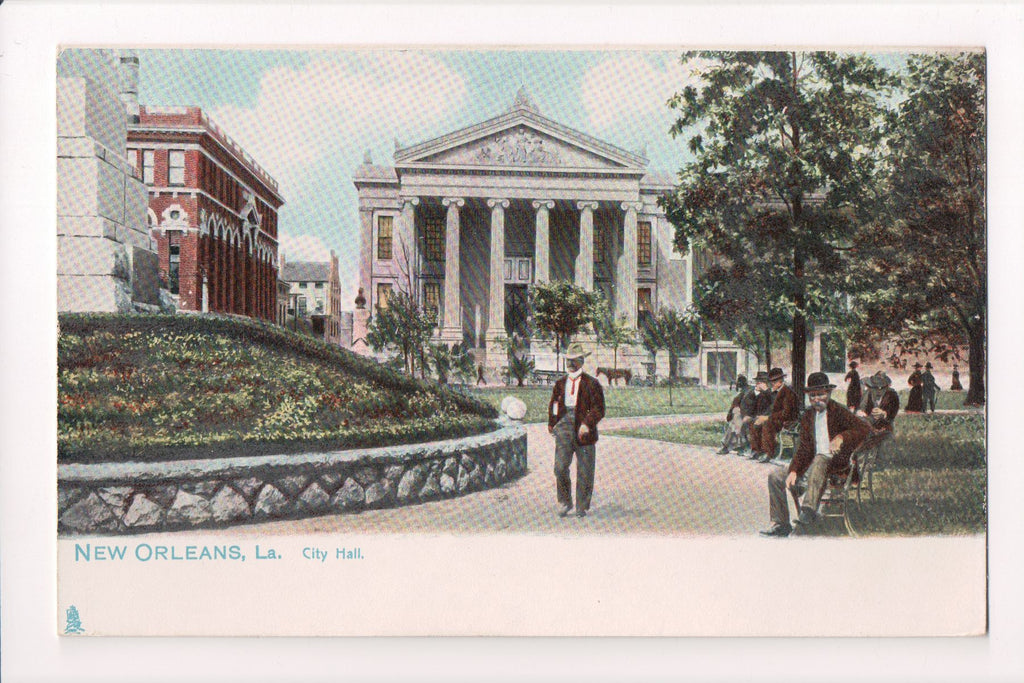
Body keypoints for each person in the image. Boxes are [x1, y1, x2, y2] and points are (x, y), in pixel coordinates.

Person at [760, 372, 870, 537]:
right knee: (775, 476)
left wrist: (841, 437)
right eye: (813, 396)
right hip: (812, 465)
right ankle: (781, 523)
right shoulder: (808, 416)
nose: (817, 399)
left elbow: (864, 429)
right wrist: (794, 470)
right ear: (808, 397)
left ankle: (808, 512)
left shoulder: (839, 411)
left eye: (821, 394)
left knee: (820, 459)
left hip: (835, 465)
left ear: (829, 393)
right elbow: (804, 448)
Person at [547, 343, 606, 518]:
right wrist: (552, 423)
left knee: (585, 469)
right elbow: (555, 404)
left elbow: (599, 408)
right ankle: (565, 502)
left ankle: (582, 505)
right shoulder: (560, 383)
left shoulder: (592, 384)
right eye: (568, 360)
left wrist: (587, 423)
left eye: (574, 360)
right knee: (560, 466)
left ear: (582, 361)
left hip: (584, 427)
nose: (571, 364)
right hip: (564, 425)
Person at [750, 367, 799, 463]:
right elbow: (770, 408)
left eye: (774, 381)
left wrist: (767, 417)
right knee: (754, 422)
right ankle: (757, 450)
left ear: (780, 381)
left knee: (767, 424)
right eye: (771, 381)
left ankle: (769, 453)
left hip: (788, 421)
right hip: (777, 418)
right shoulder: (775, 392)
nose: (772, 383)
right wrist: (761, 417)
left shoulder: (788, 393)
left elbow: (786, 413)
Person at [857, 370, 900, 450]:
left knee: (884, 446)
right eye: (876, 387)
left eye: (881, 387)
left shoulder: (892, 394)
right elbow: (861, 408)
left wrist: (884, 413)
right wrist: (861, 412)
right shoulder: (869, 393)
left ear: (886, 387)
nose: (878, 390)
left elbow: (894, 411)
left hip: (885, 427)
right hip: (869, 425)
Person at [717, 375, 752, 454]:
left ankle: (727, 446)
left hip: (752, 415)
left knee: (735, 420)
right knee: (736, 420)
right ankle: (740, 446)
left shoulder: (747, 392)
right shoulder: (747, 391)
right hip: (745, 415)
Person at [746, 371, 773, 459]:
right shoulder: (760, 394)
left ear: (766, 383)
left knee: (762, 424)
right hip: (760, 416)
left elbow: (774, 405)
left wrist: (765, 390)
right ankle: (756, 450)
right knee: (751, 423)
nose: (758, 384)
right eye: (757, 382)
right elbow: (753, 407)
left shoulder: (771, 392)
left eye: (760, 382)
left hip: (771, 417)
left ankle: (766, 452)